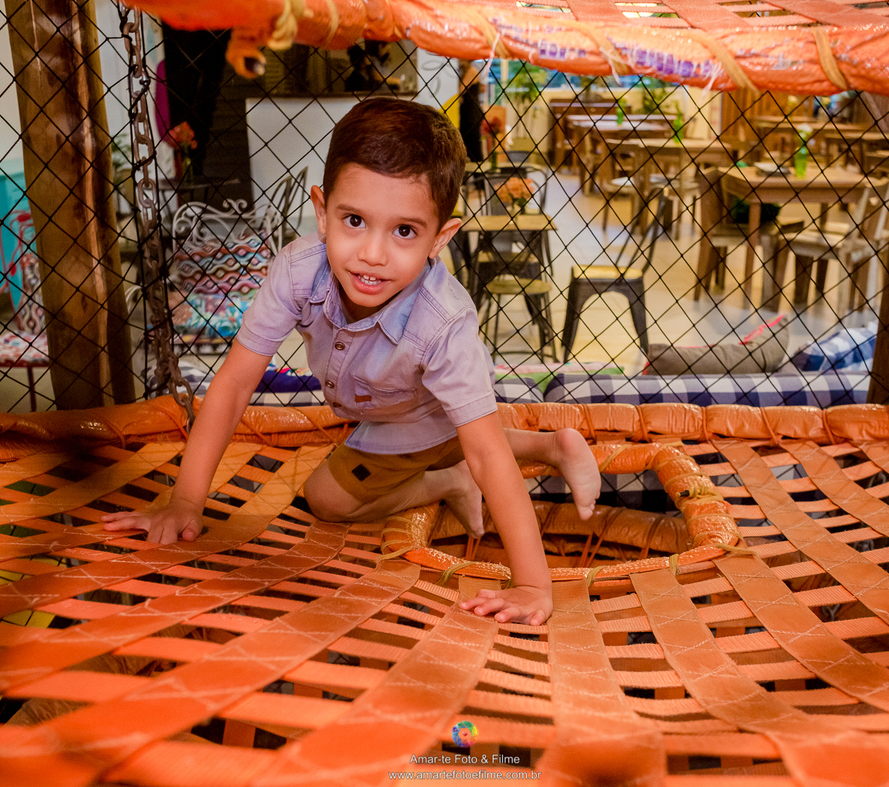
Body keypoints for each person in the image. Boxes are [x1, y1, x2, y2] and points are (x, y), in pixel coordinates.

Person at [103, 98, 600, 626]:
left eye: (404, 231)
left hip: (407, 417)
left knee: (327, 499)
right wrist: (185, 501)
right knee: (450, 436)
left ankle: (449, 481)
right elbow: (232, 385)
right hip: (409, 409)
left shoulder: (442, 320)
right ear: (322, 212)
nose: (372, 253)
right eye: (355, 220)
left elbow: (486, 454)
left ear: (440, 238)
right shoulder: (298, 271)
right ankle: (547, 446)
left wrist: (530, 584)